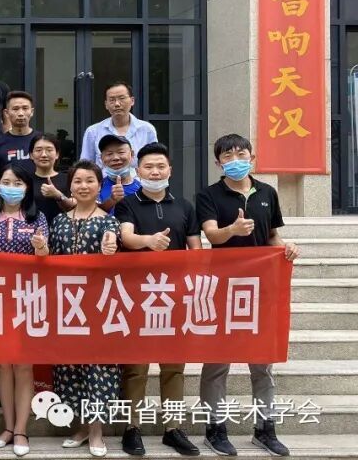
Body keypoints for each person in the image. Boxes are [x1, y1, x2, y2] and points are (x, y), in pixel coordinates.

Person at [196, 134, 299, 457]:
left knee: (262, 362)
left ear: (252, 157)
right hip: (223, 288)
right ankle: (215, 428)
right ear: (218, 162)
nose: (235, 159)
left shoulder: (267, 192)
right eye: (228, 155)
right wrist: (232, 231)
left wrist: (286, 247)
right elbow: (211, 234)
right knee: (217, 362)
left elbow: (272, 235)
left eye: (241, 153)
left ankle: (265, 429)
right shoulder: (209, 194)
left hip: (260, 288)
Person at [112, 142, 202, 457]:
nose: (154, 172)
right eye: (148, 167)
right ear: (138, 170)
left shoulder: (185, 206)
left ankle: (172, 429)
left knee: (174, 367)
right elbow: (126, 237)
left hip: (174, 297)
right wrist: (148, 241)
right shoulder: (128, 204)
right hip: (138, 295)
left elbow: (195, 247)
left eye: (160, 166)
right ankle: (132, 427)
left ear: (170, 170)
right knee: (136, 367)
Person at [0, 164, 49, 457]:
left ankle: (21, 430)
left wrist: (40, 248)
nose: (12, 187)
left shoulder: (37, 218)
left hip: (28, 298)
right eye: (6, 182)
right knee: (3, 365)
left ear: (27, 188)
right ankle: (7, 428)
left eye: (18, 182)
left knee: (23, 365)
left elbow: (45, 258)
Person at [49, 160, 120, 458]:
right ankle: (79, 427)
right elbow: (48, 260)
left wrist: (109, 249)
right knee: (69, 366)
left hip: (98, 306)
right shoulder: (58, 221)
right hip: (66, 306)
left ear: (99, 185)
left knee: (98, 367)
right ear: (70, 187)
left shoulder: (109, 222)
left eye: (90, 180)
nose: (83, 186)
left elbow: (114, 253)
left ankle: (96, 431)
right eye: (77, 181)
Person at [80, 81, 158, 167]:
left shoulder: (147, 130)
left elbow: (154, 162)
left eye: (122, 98)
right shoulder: (93, 132)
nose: (117, 104)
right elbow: (85, 167)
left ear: (132, 101)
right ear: (106, 104)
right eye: (112, 100)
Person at [0, 91, 41, 173]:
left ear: (32, 112)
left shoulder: (42, 141)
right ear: (6, 113)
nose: (20, 113)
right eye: (15, 109)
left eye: (25, 108)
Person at [30, 133, 74, 222]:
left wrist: (58, 195)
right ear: (31, 155)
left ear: (57, 154)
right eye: (38, 150)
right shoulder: (25, 180)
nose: (44, 155)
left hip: (62, 228)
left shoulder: (69, 179)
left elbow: (75, 205)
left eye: (49, 150)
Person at [96, 134, 141, 213]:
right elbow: (89, 214)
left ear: (132, 154)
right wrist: (111, 201)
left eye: (121, 152)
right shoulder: (96, 187)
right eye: (109, 154)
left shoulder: (142, 189)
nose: (115, 158)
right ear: (102, 158)